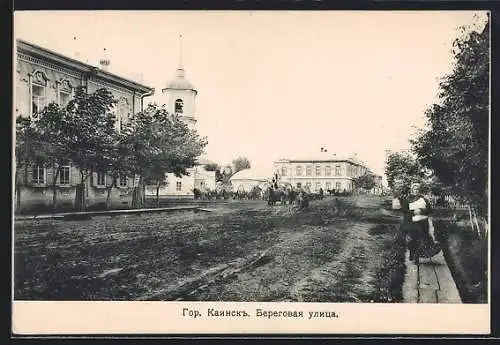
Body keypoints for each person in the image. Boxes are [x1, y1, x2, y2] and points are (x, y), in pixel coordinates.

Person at [402, 182, 441, 263]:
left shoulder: (423, 199)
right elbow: (403, 210)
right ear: (411, 190)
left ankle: (417, 255)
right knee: (411, 239)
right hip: (411, 221)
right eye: (414, 189)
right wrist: (413, 212)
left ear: (419, 190)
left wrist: (422, 210)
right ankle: (412, 253)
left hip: (422, 222)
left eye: (417, 189)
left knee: (421, 239)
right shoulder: (407, 199)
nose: (416, 191)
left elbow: (430, 210)